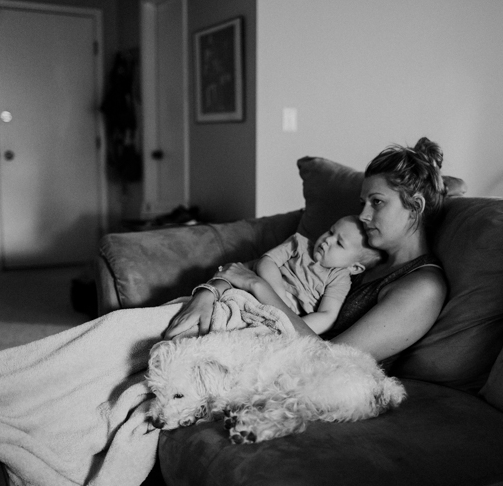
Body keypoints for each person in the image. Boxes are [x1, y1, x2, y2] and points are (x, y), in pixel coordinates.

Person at [164, 136, 448, 365]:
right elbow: (242, 269)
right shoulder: (364, 251)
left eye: (377, 202)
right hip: (243, 321)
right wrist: (207, 293)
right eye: (363, 202)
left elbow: (328, 360)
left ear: (416, 207)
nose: (362, 215)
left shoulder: (423, 288)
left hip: (284, 364)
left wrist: (257, 285)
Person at [255, 215, 382, 334]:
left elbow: (327, 315)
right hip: (263, 291)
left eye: (339, 243)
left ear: (354, 267)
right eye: (331, 232)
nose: (328, 239)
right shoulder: (299, 244)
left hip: (287, 318)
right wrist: (279, 293)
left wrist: (291, 330)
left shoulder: (339, 278)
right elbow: (267, 261)